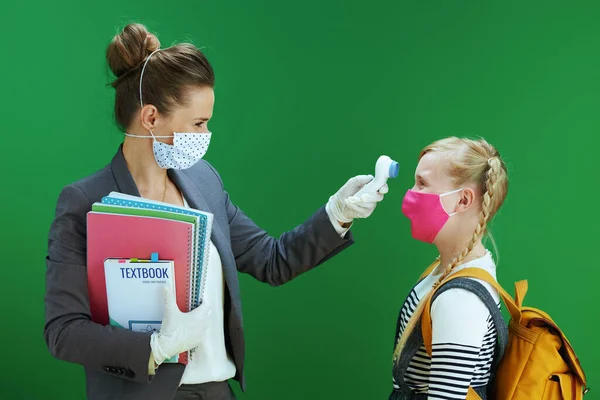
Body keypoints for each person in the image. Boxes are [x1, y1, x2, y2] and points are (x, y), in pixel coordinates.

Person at [43, 23, 388, 400]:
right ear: (151, 118)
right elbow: (63, 331)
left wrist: (337, 213)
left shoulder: (203, 182)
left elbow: (273, 260)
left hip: (215, 391)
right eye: (198, 123)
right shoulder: (85, 203)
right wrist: (155, 348)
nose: (205, 135)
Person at [390, 137, 509, 400]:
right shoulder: (449, 268)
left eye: (422, 183)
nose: (410, 195)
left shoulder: (460, 299)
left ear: (463, 200)